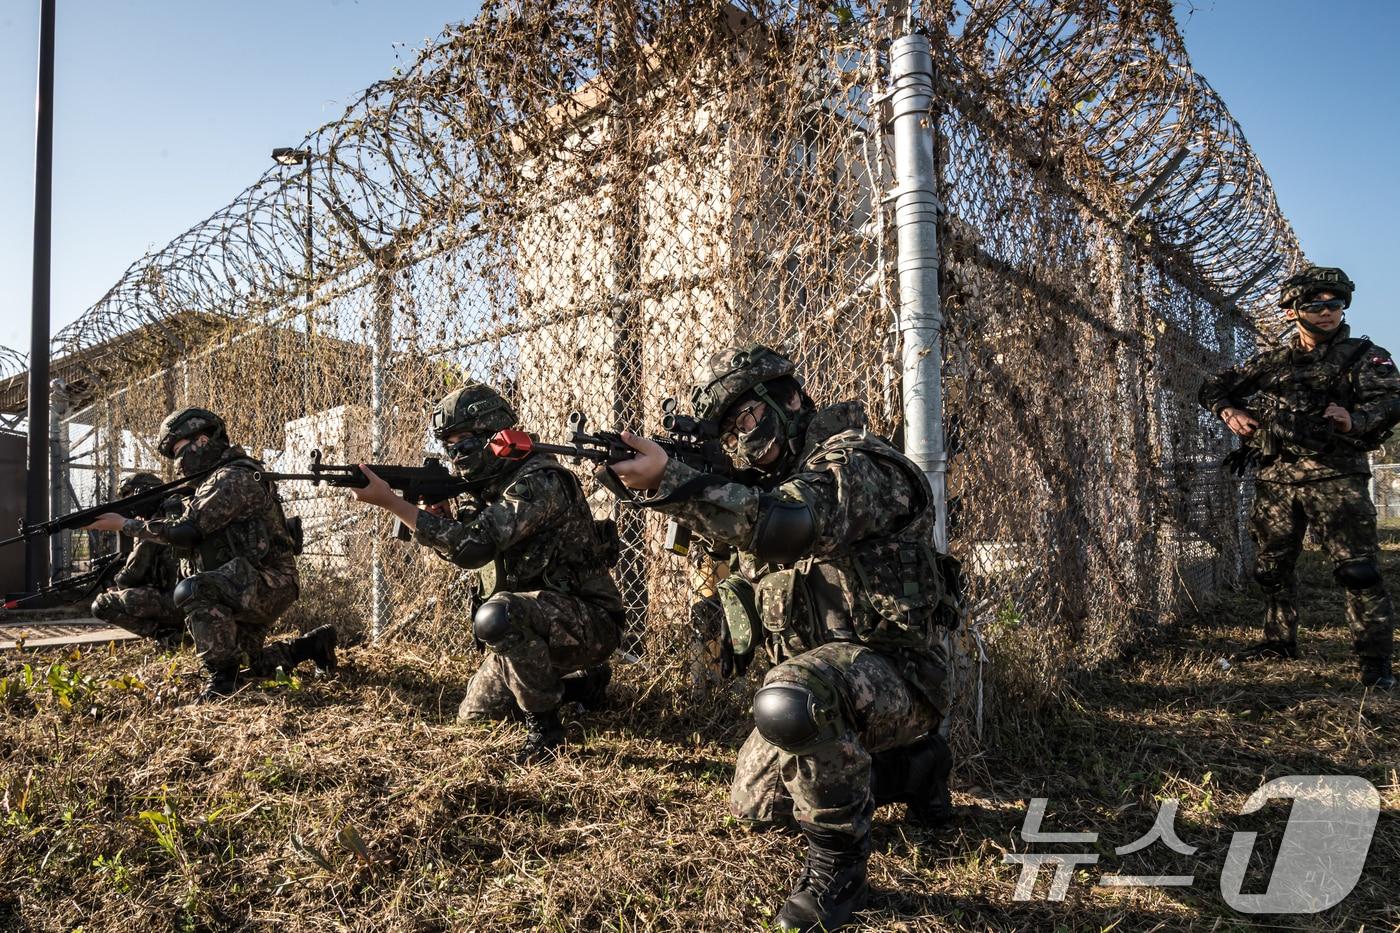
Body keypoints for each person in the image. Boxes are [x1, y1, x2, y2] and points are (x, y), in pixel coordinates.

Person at [607, 345, 960, 933]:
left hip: (903, 677)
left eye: (747, 418)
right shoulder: (767, 488)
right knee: (756, 804)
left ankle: (839, 871)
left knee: (790, 696)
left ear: (790, 399)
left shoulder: (857, 463)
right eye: (728, 432)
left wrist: (673, 479)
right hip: (837, 690)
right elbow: (748, 601)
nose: (742, 440)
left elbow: (789, 526)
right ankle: (914, 770)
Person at [347, 383, 622, 763]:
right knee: (475, 719)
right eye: (449, 447)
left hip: (588, 621)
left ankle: (546, 732)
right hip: (535, 623)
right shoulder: (487, 489)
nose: (456, 456)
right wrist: (438, 519)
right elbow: (469, 552)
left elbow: (474, 546)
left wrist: (393, 504)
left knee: (497, 616)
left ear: (496, 437)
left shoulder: (539, 481)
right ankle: (580, 688)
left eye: (463, 445)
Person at [1199, 265, 1399, 688]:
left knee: (1358, 571)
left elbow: (1393, 402)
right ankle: (1279, 640)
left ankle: (1375, 662)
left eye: (1335, 304)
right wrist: (1230, 411)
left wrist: (1355, 418)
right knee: (1271, 568)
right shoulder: (1274, 360)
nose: (1327, 312)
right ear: (1293, 311)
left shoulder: (1365, 356)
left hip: (1336, 477)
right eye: (1315, 304)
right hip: (1277, 478)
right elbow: (1214, 388)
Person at [84, 408, 334, 698]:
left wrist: (125, 525)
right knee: (248, 666)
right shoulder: (213, 480)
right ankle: (312, 646)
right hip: (243, 583)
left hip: (268, 582)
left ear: (202, 441)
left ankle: (220, 684)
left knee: (194, 590)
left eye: (179, 452)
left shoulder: (232, 477)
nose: (178, 464)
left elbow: (187, 530)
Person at [89, 472, 184, 647]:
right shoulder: (174, 511)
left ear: (144, 492)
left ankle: (169, 638)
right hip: (189, 598)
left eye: (131, 496)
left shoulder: (157, 521)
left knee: (103, 604)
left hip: (180, 603)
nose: (130, 505)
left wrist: (117, 585)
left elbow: (130, 576)